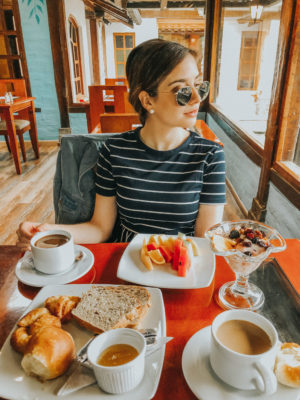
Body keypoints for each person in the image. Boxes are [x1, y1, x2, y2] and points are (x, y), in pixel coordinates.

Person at [16, 38, 226, 249]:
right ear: (147, 101)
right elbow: (99, 228)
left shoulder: (210, 155)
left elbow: (205, 239)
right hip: (124, 260)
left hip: (183, 262)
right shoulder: (115, 151)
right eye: (182, 90)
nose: (197, 98)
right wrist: (47, 229)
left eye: (198, 85)